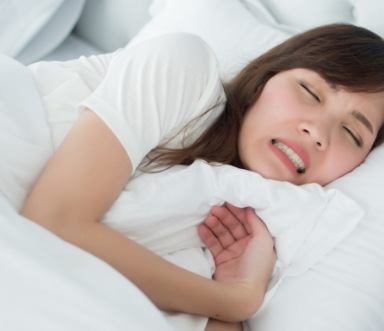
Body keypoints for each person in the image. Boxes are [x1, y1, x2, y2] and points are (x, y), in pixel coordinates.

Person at [21, 23, 384, 331]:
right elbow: (52, 221)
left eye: (353, 134)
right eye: (310, 91)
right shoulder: (185, 69)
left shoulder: (248, 232)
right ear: (265, 79)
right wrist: (235, 300)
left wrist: (234, 288)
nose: (319, 131)